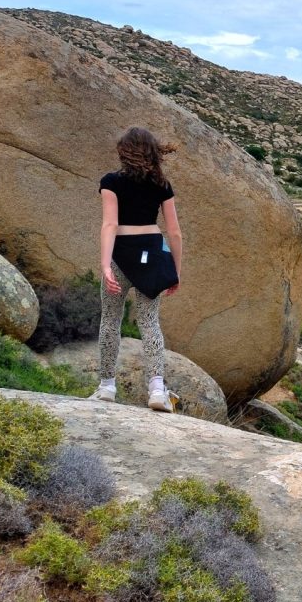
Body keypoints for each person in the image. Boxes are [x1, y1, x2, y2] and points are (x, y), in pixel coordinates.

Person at [89, 127, 183, 413]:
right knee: (150, 322)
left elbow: (110, 225)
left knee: (110, 320)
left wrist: (105, 265)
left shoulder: (111, 181)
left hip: (120, 255)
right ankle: (156, 389)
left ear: (123, 151)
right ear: (153, 152)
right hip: (152, 253)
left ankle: (106, 386)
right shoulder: (162, 185)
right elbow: (175, 232)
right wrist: (175, 271)